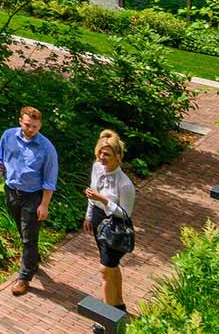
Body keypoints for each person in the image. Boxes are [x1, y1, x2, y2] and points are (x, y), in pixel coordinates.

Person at [0, 105, 59, 296]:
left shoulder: (47, 148)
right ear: (20, 121)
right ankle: (33, 260)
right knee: (24, 232)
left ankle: (24, 277)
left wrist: (44, 205)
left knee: (28, 237)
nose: (30, 130)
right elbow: (0, 161)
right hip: (12, 192)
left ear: (40, 126)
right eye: (28, 125)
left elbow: (50, 180)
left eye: (35, 127)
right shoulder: (8, 136)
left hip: (33, 197)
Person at [84, 129, 137, 315]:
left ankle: (105, 317)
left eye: (106, 154)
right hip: (99, 222)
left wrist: (105, 201)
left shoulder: (125, 184)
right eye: (99, 153)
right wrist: (89, 215)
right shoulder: (97, 167)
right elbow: (92, 191)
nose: (101, 157)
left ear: (118, 156)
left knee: (105, 269)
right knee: (112, 268)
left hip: (115, 227)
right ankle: (119, 305)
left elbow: (125, 214)